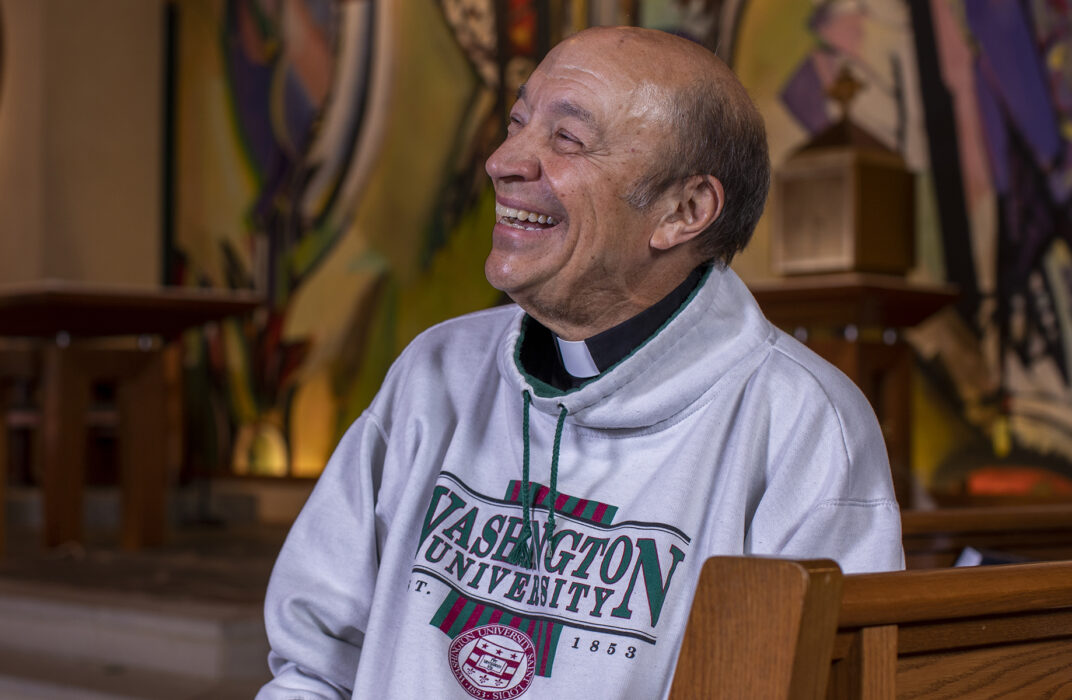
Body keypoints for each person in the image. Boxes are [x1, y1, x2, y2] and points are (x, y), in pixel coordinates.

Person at [258, 26, 904, 700]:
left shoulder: (800, 422)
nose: (504, 161)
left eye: (566, 139)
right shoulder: (437, 370)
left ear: (685, 210)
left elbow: (825, 684)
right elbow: (313, 663)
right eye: (517, 122)